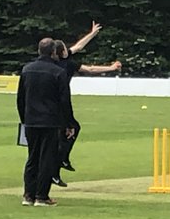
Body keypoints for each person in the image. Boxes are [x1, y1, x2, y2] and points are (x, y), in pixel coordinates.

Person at [50, 24, 121, 187]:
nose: (69, 49)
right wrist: (110, 68)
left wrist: (92, 33)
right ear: (62, 53)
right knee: (66, 133)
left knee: (68, 131)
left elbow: (79, 46)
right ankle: (56, 168)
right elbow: (90, 69)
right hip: (60, 104)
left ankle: (62, 161)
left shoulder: (59, 60)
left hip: (50, 104)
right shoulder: (66, 64)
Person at [16, 38, 70, 206]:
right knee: (47, 158)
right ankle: (42, 196)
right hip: (50, 121)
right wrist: (67, 124)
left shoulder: (26, 70)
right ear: (54, 52)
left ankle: (28, 195)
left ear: (39, 50)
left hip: (31, 121)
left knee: (32, 158)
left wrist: (25, 120)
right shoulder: (58, 72)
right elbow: (64, 101)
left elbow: (20, 99)